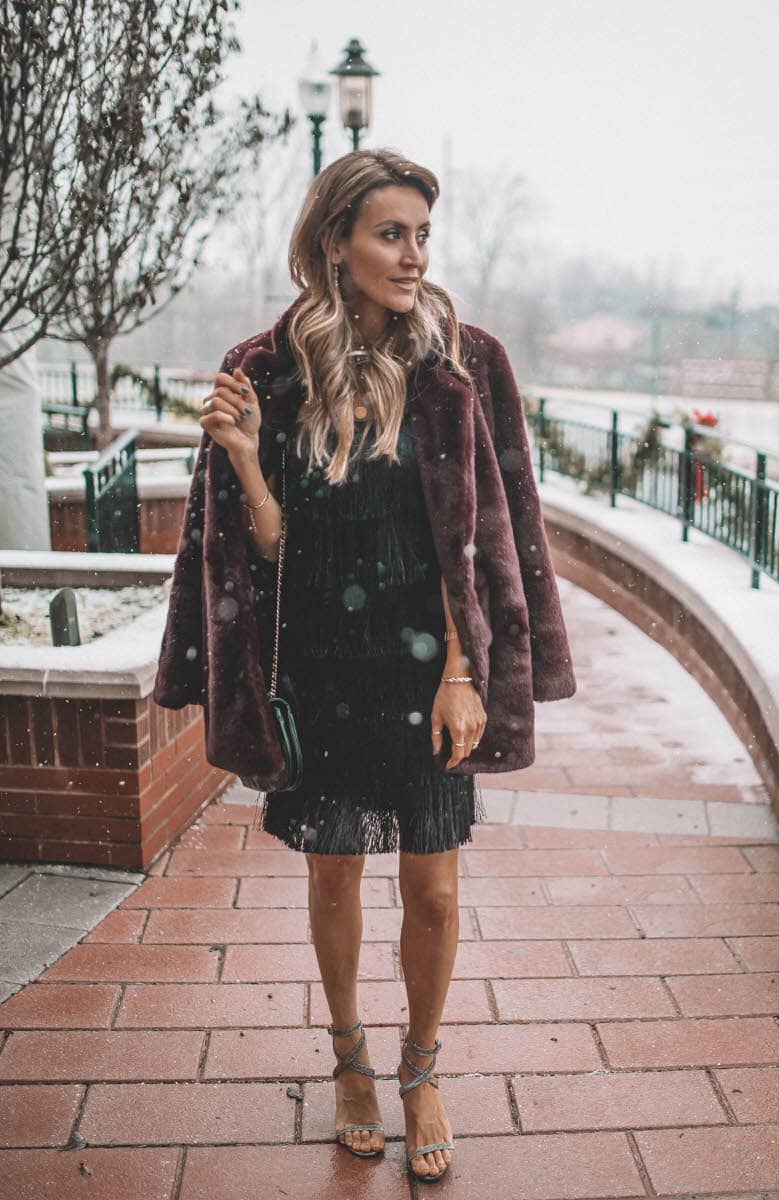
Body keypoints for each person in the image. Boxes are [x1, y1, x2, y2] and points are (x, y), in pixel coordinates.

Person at [163, 148, 576, 1183]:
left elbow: (479, 526)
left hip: (427, 666)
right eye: (391, 233)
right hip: (324, 662)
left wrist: (467, 674)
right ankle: (350, 1058)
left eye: (423, 236)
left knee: (433, 888)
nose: (413, 255)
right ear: (335, 243)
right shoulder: (266, 366)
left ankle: (421, 1069)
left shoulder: (464, 360)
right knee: (336, 875)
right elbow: (264, 545)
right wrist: (251, 458)